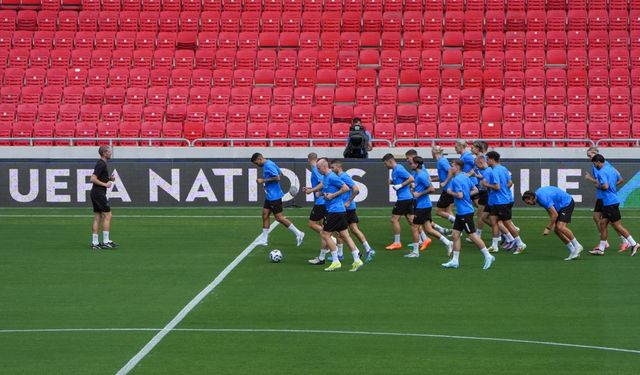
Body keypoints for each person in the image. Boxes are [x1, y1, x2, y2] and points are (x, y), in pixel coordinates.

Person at [306, 159, 364, 272]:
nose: (317, 170)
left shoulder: (332, 177)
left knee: (325, 234)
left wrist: (333, 195)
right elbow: (323, 185)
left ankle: (335, 261)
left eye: (318, 168)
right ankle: (357, 260)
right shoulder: (326, 177)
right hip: (338, 210)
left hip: (334, 211)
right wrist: (311, 190)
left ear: (323, 167)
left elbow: (345, 188)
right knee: (345, 235)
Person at [442, 160, 495, 270]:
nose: (450, 168)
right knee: (455, 235)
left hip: (464, 212)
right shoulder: (465, 177)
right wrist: (465, 195)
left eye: (452, 166)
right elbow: (475, 190)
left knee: (472, 235)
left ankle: (488, 256)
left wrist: (450, 192)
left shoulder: (456, 180)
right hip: (462, 212)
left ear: (457, 167)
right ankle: (455, 261)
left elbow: (460, 196)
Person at [250, 153, 305, 247]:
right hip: (270, 196)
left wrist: (263, 180)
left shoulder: (268, 165)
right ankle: (264, 239)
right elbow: (280, 173)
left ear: (259, 159)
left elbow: (278, 177)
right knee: (265, 214)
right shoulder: (270, 163)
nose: (256, 165)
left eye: (256, 163)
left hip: (274, 196)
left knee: (279, 217)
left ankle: (298, 233)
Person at [591, 154, 640, 256]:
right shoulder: (611, 169)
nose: (594, 165)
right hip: (612, 200)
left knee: (617, 226)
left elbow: (605, 186)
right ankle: (601, 249)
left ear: (598, 162)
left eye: (594, 163)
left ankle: (634, 243)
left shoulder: (601, 172)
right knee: (603, 224)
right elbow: (620, 179)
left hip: (609, 202)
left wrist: (597, 186)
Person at [406, 156, 454, 258]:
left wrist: (419, 194)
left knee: (414, 227)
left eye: (412, 163)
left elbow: (432, 189)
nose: (410, 165)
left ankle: (415, 252)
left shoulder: (422, 175)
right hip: (423, 205)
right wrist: (414, 188)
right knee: (428, 229)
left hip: (423, 206)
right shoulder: (418, 174)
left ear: (417, 164)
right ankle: (448, 242)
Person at [584, 147, 630, 253]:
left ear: (596, 155)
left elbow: (602, 182)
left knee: (613, 223)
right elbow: (612, 180)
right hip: (602, 196)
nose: (589, 158)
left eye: (590, 155)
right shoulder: (597, 165)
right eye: (588, 156)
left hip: (605, 198)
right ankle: (604, 242)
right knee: (597, 218)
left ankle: (625, 241)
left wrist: (590, 179)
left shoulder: (602, 166)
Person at [330, 159, 376, 262]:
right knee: (342, 231)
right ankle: (341, 254)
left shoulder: (344, 176)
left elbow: (356, 189)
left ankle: (367, 249)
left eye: (333, 167)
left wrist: (349, 201)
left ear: (338, 167)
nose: (331, 169)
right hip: (345, 208)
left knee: (348, 230)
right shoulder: (340, 176)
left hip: (347, 208)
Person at [522, 187, 584, 260]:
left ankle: (577, 246)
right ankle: (572, 250)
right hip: (559, 206)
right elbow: (549, 211)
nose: (529, 204)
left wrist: (548, 227)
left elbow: (555, 214)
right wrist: (553, 222)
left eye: (528, 202)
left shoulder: (542, 198)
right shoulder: (538, 197)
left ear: (532, 198)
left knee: (561, 227)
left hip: (567, 203)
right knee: (557, 230)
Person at [484, 151, 527, 254]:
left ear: (491, 159)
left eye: (487, 159)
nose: (486, 161)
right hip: (499, 200)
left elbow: (497, 187)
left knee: (507, 223)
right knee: (494, 221)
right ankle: (494, 245)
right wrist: (504, 189)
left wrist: (487, 184)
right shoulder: (503, 169)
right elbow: (510, 183)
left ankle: (520, 244)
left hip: (501, 201)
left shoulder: (494, 171)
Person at [382, 153, 415, 250]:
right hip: (407, 198)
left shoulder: (399, 169)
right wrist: (393, 182)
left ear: (390, 161)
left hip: (403, 199)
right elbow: (403, 180)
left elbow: (411, 178)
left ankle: (397, 242)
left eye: (385, 163)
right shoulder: (394, 170)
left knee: (394, 220)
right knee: (411, 221)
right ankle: (423, 238)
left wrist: (400, 186)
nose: (385, 166)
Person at [90, 145, 118, 250]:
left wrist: (109, 179)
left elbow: (99, 177)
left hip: (96, 193)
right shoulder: (101, 164)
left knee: (98, 217)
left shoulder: (101, 163)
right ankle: (106, 241)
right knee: (108, 215)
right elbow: (92, 179)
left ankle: (95, 242)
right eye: (109, 151)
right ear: (104, 153)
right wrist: (106, 184)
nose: (111, 153)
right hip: (99, 193)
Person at [304, 153, 329, 258]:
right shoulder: (315, 169)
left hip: (321, 201)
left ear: (308, 159)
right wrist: (310, 188)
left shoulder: (315, 169)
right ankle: (325, 249)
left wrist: (311, 190)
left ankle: (331, 239)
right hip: (323, 200)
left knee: (312, 224)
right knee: (322, 224)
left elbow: (322, 183)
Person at [431, 146, 455, 235]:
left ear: (434, 152)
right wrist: (433, 180)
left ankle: (458, 222)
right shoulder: (440, 161)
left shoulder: (442, 161)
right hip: (450, 188)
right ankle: (457, 230)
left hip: (448, 189)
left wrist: (445, 182)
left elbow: (451, 171)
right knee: (448, 210)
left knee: (438, 211)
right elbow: (444, 175)